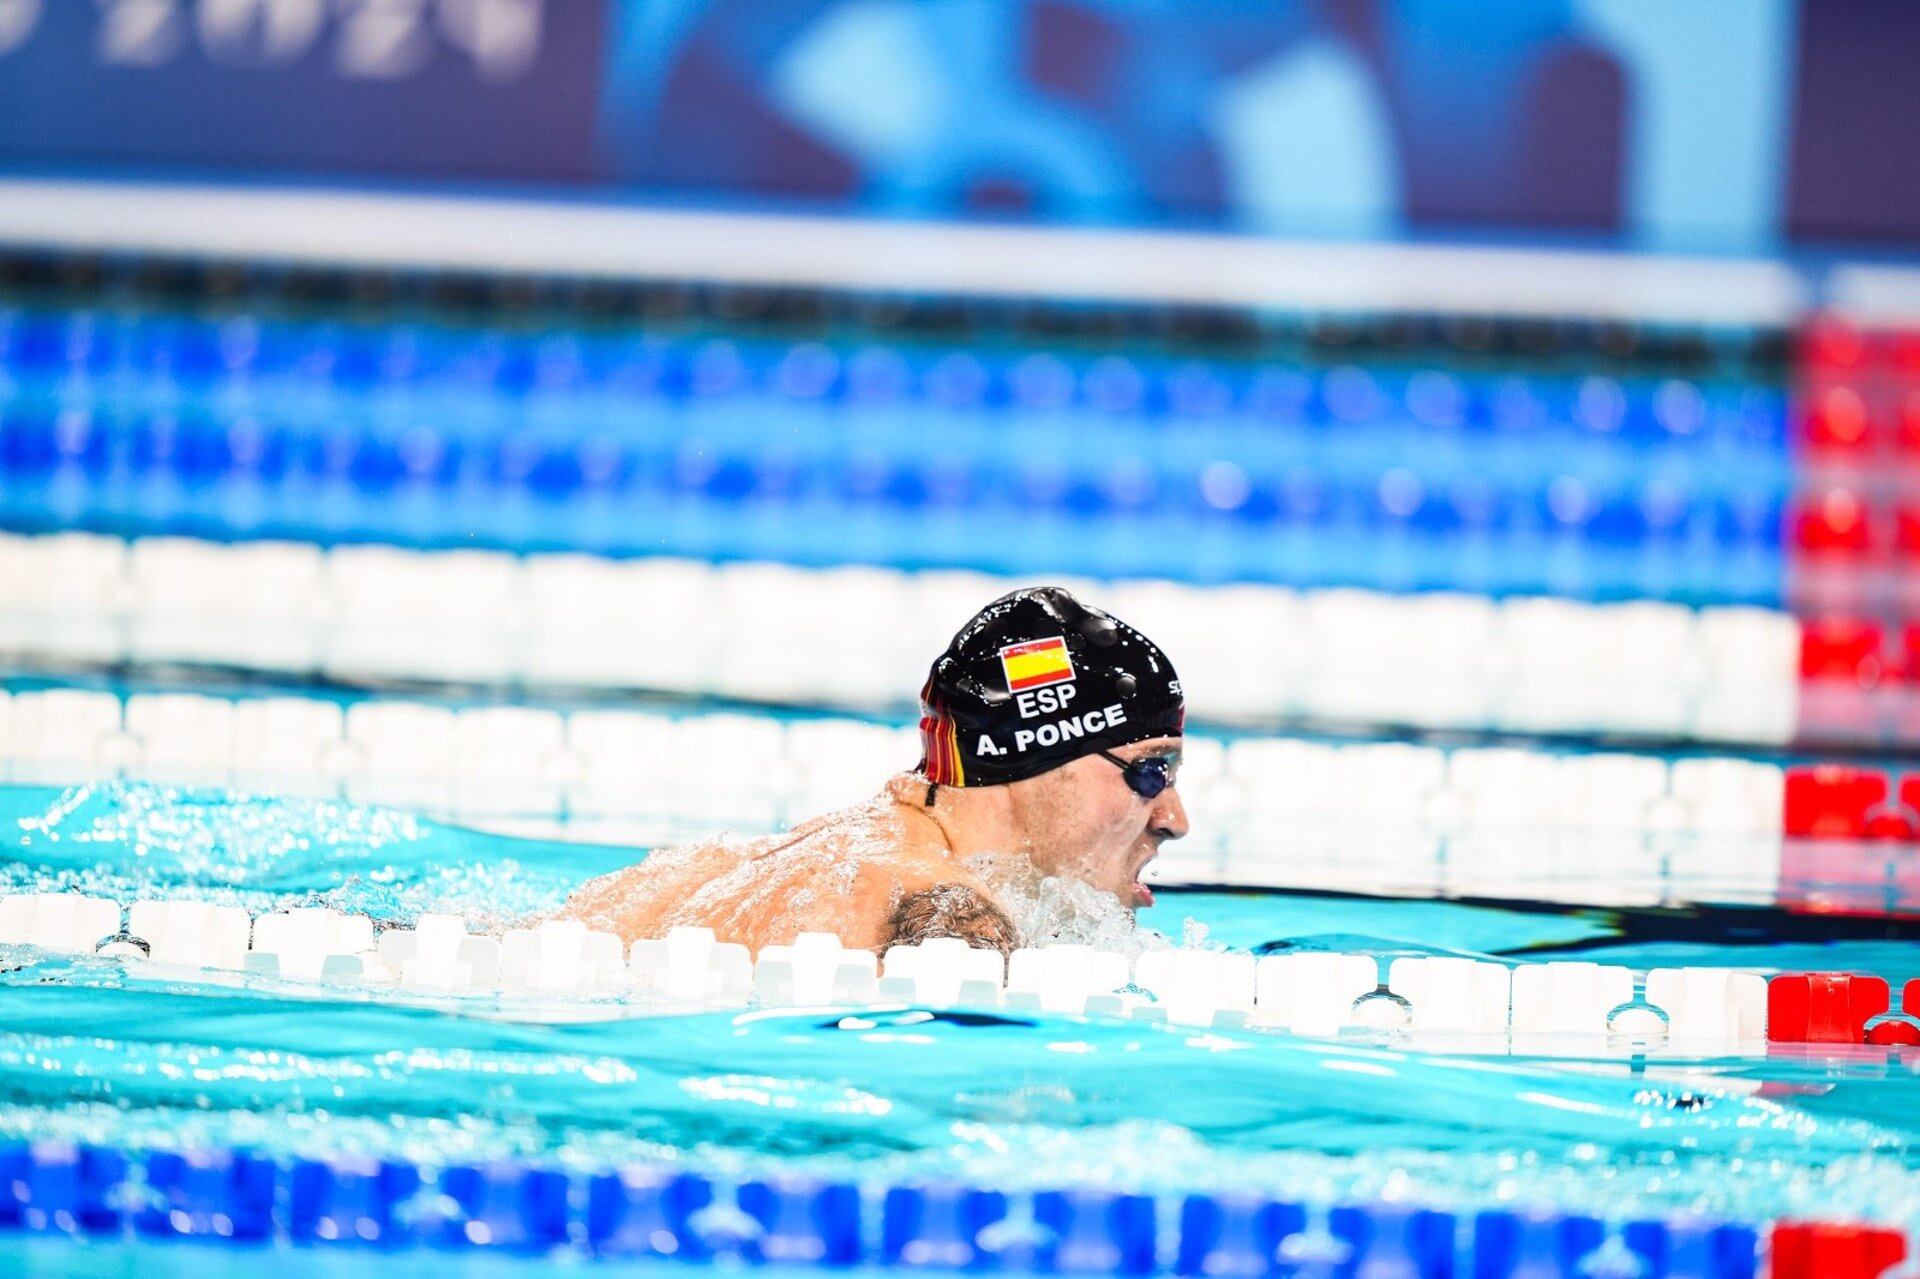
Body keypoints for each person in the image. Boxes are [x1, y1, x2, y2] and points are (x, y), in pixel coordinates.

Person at [560, 586, 1188, 955]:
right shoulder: (949, 921)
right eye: (1150, 771)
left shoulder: (733, 868)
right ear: (1038, 758)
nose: (1173, 819)